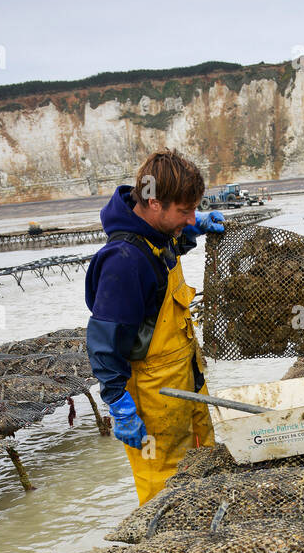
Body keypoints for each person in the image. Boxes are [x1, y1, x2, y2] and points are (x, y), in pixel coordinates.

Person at [85, 149, 224, 505]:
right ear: (154, 203)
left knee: (205, 469)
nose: (192, 216)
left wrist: (191, 230)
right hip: (154, 398)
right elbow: (104, 341)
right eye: (184, 211)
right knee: (166, 487)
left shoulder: (155, 238)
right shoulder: (124, 260)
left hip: (186, 381)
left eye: (195, 209)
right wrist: (119, 403)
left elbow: (166, 258)